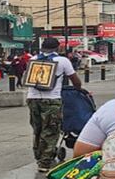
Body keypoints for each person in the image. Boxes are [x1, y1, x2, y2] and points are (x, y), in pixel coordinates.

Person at [26, 37, 81, 172]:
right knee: (50, 130)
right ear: (57, 48)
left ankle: (39, 155)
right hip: (52, 100)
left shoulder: (33, 59)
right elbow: (75, 81)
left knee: (37, 129)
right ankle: (45, 162)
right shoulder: (62, 61)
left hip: (32, 99)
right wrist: (79, 89)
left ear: (42, 48)